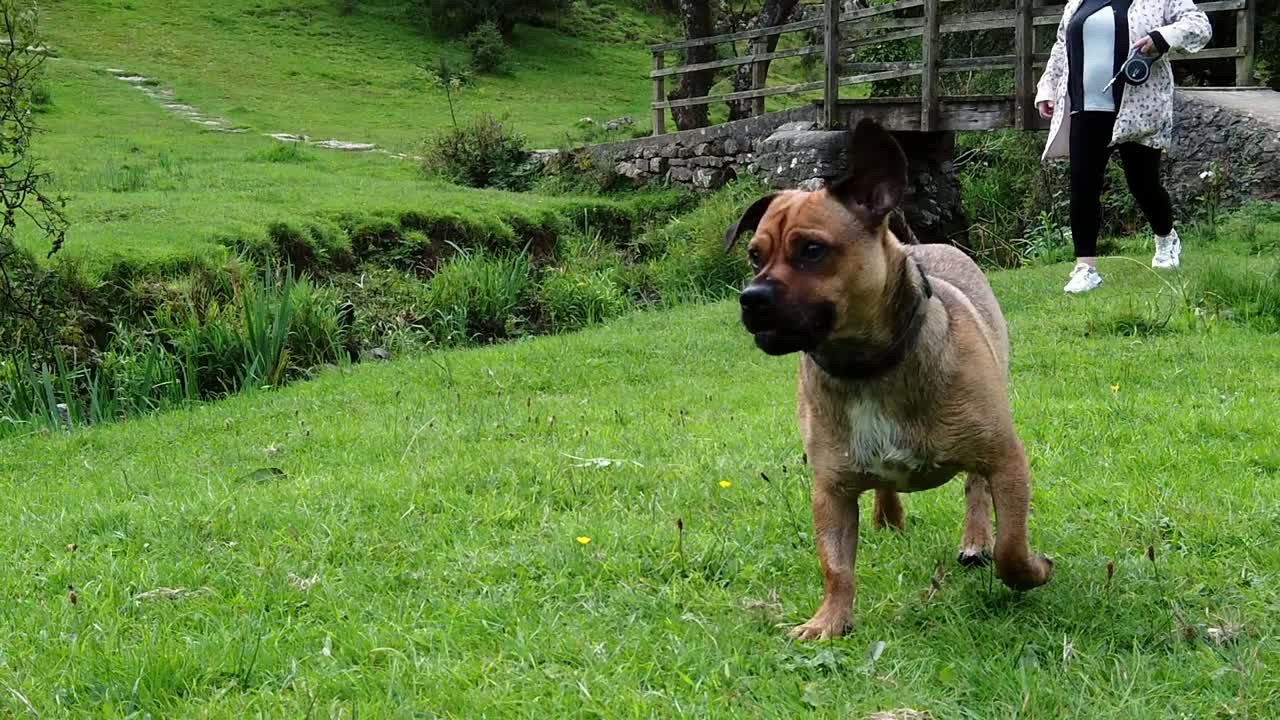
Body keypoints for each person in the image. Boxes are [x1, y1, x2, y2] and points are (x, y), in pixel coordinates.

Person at [1035, 0, 1211, 294]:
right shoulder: (1077, 3)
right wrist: (1047, 88)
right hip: (1085, 106)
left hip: (1136, 109)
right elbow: (1060, 48)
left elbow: (1199, 26)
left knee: (1143, 183)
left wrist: (1161, 39)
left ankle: (1166, 238)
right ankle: (1085, 268)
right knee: (1083, 186)